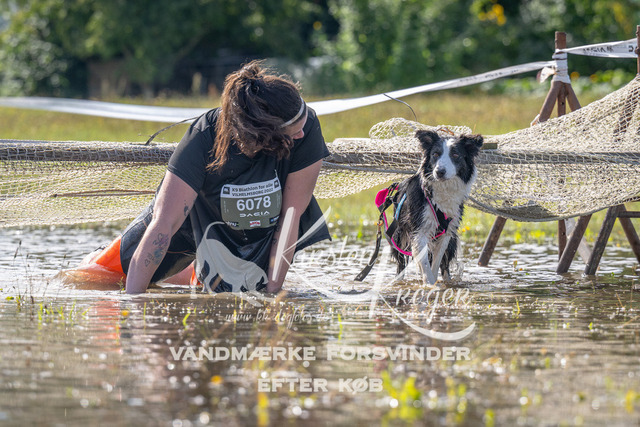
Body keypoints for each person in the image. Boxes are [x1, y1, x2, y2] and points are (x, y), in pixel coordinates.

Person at [82, 60, 331, 294]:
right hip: (192, 222)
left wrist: (272, 295)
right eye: (292, 131)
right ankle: (182, 271)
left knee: (243, 290)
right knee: (96, 278)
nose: (301, 134)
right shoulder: (204, 135)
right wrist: (133, 303)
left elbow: (290, 218)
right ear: (265, 132)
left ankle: (197, 274)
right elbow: (164, 223)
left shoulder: (306, 127)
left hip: (257, 226)